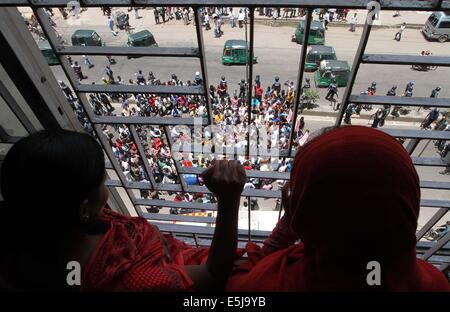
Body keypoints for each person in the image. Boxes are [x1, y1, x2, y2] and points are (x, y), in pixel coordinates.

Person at [0, 130, 247, 291]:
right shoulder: (133, 280)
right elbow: (213, 275)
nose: (106, 189)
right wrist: (229, 200)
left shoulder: (39, 231)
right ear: (83, 208)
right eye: (103, 183)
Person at [227, 126, 450, 291]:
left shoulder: (270, 284)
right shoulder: (432, 282)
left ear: (303, 210)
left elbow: (238, 279)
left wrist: (286, 226)